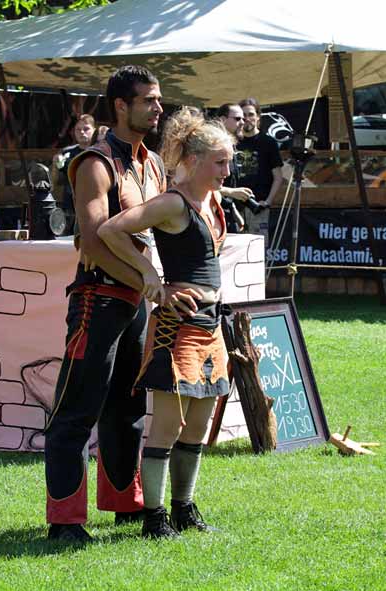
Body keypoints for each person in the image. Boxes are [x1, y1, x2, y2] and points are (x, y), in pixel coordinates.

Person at [43, 65, 201, 543]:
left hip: (136, 301)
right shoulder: (95, 162)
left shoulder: (150, 162)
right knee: (76, 409)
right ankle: (65, 522)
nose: (158, 108)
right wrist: (149, 281)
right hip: (97, 298)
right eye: (148, 100)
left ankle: (124, 505)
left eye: (158, 99)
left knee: (127, 409)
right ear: (120, 105)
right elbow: (93, 240)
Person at [98, 108, 232, 538]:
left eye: (229, 162)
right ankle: (154, 518)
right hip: (178, 327)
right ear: (193, 160)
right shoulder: (173, 203)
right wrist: (150, 276)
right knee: (167, 426)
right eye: (220, 163)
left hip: (210, 324)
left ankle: (183, 508)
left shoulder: (211, 199)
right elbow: (111, 230)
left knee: (199, 424)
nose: (226, 171)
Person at [236, 97, 285, 242]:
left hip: (258, 206)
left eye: (251, 114)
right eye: (243, 115)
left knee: (257, 249)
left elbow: (278, 177)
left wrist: (268, 201)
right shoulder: (232, 141)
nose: (247, 118)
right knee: (234, 250)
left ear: (258, 117)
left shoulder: (268, 142)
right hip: (235, 207)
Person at [52, 114, 97, 219]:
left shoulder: (100, 151)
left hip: (95, 203)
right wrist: (55, 165)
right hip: (71, 206)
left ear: (94, 130)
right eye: (78, 129)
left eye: (86, 129)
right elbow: (55, 180)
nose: (82, 132)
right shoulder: (66, 152)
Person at [215, 103, 250, 232]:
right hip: (212, 215)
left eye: (243, 119)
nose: (242, 122)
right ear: (222, 120)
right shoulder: (212, 146)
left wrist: (234, 211)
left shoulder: (231, 145)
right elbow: (202, 183)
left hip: (227, 214)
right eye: (237, 119)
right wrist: (231, 192)